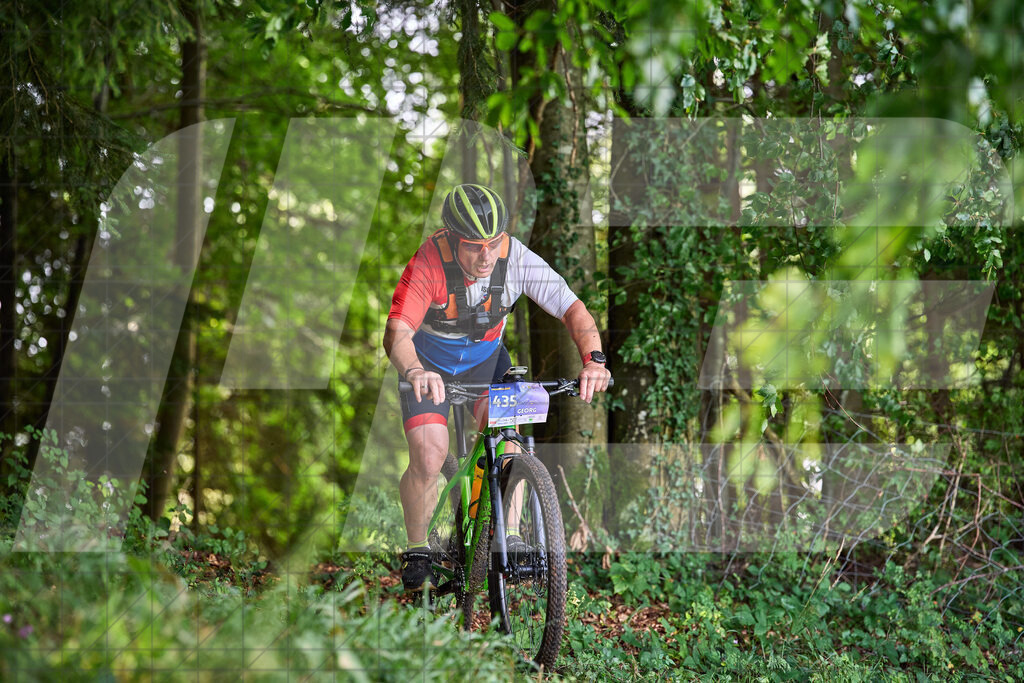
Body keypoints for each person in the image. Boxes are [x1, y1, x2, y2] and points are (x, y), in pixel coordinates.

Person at [383, 183, 611, 590]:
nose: (486, 255)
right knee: (429, 453)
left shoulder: (516, 257)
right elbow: (397, 332)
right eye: (473, 246)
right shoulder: (428, 263)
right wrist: (416, 371)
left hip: (486, 364)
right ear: (453, 240)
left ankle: (508, 535)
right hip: (428, 367)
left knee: (508, 440)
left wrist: (594, 360)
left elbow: (572, 307)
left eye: (493, 243)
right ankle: (418, 548)